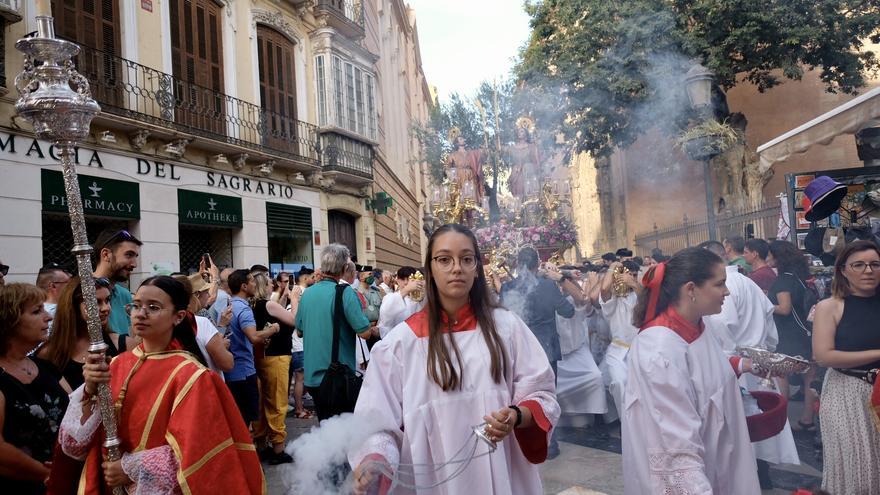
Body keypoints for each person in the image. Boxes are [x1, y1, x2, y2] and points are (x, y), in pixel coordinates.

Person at [350, 224, 559, 495]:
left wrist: (517, 416)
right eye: (444, 259)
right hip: (432, 478)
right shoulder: (401, 343)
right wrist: (373, 461)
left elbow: (542, 393)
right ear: (430, 269)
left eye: (466, 259)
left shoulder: (506, 328)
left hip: (501, 468)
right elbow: (376, 420)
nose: (456, 267)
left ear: (477, 268)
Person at [56, 276, 264, 493]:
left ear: (179, 316)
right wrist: (89, 388)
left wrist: (129, 468)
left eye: (153, 307)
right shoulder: (116, 365)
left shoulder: (193, 376)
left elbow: (200, 450)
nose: (141, 313)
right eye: (136, 306)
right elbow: (75, 446)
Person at [623, 248, 760, 494]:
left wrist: (744, 365)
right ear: (691, 289)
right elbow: (675, 444)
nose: (727, 292)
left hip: (721, 457)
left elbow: (706, 369)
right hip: (694, 473)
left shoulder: (699, 324)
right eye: (720, 284)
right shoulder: (659, 350)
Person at [700, 241, 799, 489]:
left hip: (736, 364)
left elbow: (722, 326)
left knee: (742, 430)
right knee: (755, 429)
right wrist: (764, 350)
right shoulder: (747, 282)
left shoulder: (726, 286)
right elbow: (768, 320)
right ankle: (760, 477)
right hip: (755, 359)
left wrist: (724, 355)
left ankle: (749, 482)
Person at [812, 240, 880, 493]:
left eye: (875, 264)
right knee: (858, 470)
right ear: (843, 270)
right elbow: (823, 356)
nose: (868, 270)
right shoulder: (830, 306)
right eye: (859, 265)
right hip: (848, 395)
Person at [0, 283, 69, 495]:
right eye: (36, 311)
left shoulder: (44, 366)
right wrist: (46, 474)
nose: (48, 317)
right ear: (9, 321)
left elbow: (74, 405)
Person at [295, 244, 372, 420]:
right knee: (341, 434)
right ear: (345, 268)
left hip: (313, 377)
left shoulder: (307, 294)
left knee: (325, 428)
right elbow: (365, 333)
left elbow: (299, 331)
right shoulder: (345, 293)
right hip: (337, 377)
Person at [37, 277, 125, 392]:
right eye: (96, 302)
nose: (106, 308)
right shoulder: (48, 352)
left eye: (108, 300)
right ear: (73, 306)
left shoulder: (123, 344)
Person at [767, 240, 818, 430]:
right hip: (805, 333)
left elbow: (784, 308)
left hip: (788, 335)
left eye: (770, 254)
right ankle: (807, 419)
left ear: (778, 257)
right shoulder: (797, 277)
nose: (768, 258)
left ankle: (780, 422)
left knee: (781, 375)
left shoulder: (782, 280)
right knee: (809, 378)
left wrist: (764, 306)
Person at [250, 271, 295, 465]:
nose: (272, 286)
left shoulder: (254, 305)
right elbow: (294, 320)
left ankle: (262, 444)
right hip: (276, 358)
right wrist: (295, 299)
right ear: (263, 286)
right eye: (269, 283)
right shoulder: (267, 304)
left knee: (261, 402)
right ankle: (278, 448)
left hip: (262, 356)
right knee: (277, 401)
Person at [226, 269, 278, 428]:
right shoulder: (243, 309)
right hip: (243, 372)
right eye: (252, 281)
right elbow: (253, 337)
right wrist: (272, 329)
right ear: (243, 286)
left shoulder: (228, 305)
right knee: (244, 420)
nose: (255, 284)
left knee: (236, 421)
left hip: (230, 372)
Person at [597, 260, 640, 422]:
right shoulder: (613, 297)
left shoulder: (639, 293)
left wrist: (634, 284)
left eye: (634, 275)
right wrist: (613, 267)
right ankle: (626, 423)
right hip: (617, 351)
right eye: (627, 274)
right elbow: (603, 289)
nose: (630, 278)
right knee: (619, 383)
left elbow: (648, 302)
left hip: (639, 350)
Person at [171, 274, 233, 377]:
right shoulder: (201, 321)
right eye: (206, 292)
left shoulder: (164, 322)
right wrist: (221, 341)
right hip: (204, 383)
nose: (209, 296)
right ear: (196, 295)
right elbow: (227, 364)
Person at [92, 229, 142, 336]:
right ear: (106, 255)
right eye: (129, 255)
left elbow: (130, 337)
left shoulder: (125, 295)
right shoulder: (79, 291)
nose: (134, 264)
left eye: (135, 257)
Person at [287, 267, 314, 419]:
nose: (314, 280)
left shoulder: (300, 296)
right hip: (299, 346)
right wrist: (295, 299)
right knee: (300, 379)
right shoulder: (296, 298)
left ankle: (300, 406)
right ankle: (298, 409)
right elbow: (296, 321)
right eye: (311, 277)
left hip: (303, 346)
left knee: (302, 379)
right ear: (304, 278)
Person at [377, 266, 425, 339]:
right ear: (398, 280)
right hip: (395, 339)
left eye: (409, 279)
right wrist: (406, 290)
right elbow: (385, 318)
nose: (406, 282)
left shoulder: (419, 298)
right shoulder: (390, 297)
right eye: (403, 279)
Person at [35, 264, 71, 329]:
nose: (70, 286)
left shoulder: (34, 310)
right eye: (67, 283)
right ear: (53, 286)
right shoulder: (59, 312)